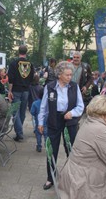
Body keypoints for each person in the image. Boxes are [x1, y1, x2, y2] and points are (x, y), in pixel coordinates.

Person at [58, 95, 106, 199]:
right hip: (83, 183)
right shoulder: (99, 130)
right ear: (102, 114)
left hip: (75, 175)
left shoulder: (90, 121)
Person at [38, 61, 84, 190]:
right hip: (54, 119)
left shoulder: (75, 87)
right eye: (67, 75)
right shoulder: (50, 87)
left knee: (71, 149)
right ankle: (50, 177)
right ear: (59, 75)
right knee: (52, 149)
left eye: (71, 75)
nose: (70, 77)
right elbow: (43, 106)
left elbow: (80, 106)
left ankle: (72, 177)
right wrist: (40, 122)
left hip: (70, 121)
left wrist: (72, 113)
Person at [7, 45, 35, 141]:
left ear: (18, 52)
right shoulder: (30, 64)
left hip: (16, 90)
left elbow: (11, 79)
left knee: (15, 112)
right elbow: (32, 77)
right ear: (26, 52)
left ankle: (19, 133)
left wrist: (9, 91)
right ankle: (19, 132)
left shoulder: (14, 63)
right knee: (22, 112)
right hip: (26, 90)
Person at [30, 87, 47, 152]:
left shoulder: (35, 103)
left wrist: (35, 115)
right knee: (46, 135)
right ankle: (47, 146)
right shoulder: (48, 103)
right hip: (46, 123)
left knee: (38, 135)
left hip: (38, 123)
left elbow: (32, 112)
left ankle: (39, 146)